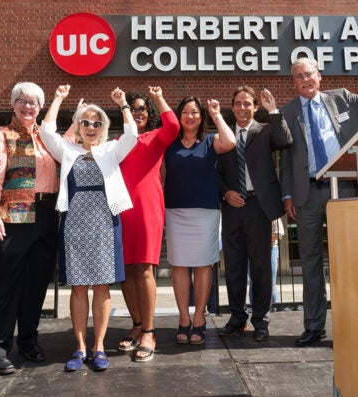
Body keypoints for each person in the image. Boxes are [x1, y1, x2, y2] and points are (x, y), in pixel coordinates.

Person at [279, 35, 358, 346]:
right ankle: (314, 327)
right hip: (307, 194)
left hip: (346, 188)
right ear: (294, 82)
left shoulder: (342, 98)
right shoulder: (287, 112)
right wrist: (287, 195)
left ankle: (357, 322)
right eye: (298, 76)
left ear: (320, 76)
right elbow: (286, 159)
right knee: (311, 262)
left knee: (352, 258)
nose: (305, 80)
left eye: (309, 74)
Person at [39, 84, 138, 372]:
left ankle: (99, 347)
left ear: (104, 127)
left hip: (105, 222)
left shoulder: (110, 150)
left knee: (102, 286)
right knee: (79, 287)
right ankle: (80, 347)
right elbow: (47, 132)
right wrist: (58, 98)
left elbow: (131, 135)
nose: (91, 127)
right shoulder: (67, 150)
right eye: (86, 122)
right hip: (74, 223)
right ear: (78, 126)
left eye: (97, 123)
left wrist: (122, 104)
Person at [0, 82, 60, 375]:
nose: (27, 106)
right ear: (13, 104)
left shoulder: (47, 137)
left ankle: (29, 341)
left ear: (40, 107)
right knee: (7, 284)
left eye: (33, 102)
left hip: (47, 214)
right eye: (22, 101)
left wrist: (65, 101)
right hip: (15, 214)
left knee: (35, 284)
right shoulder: (1, 136)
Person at [217, 86, 292, 342]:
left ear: (255, 107)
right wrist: (225, 192)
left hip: (259, 206)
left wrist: (274, 111)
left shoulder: (266, 130)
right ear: (232, 106)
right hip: (232, 207)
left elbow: (285, 141)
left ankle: (261, 320)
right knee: (235, 266)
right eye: (238, 103)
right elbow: (214, 172)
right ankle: (237, 317)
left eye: (248, 103)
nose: (242, 108)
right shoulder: (224, 136)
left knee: (260, 267)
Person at [164, 97, 235, 345]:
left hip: (205, 212)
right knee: (180, 265)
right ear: (179, 115)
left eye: (195, 112)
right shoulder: (169, 143)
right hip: (175, 212)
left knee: (204, 265)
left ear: (201, 117)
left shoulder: (209, 141)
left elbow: (230, 141)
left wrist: (216, 114)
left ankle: (199, 319)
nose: (190, 116)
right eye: (185, 112)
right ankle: (183, 319)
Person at [118, 87, 179, 363]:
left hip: (147, 210)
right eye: (132, 108)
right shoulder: (119, 140)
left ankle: (149, 332)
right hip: (121, 212)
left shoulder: (157, 137)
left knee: (143, 269)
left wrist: (158, 97)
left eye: (142, 108)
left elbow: (174, 125)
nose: (137, 112)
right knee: (126, 271)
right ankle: (137, 324)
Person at [248, 217, 285, 305]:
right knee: (253, 282)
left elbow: (278, 234)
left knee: (271, 283)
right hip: (252, 250)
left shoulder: (272, 213)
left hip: (270, 249)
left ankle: (274, 307)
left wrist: (258, 238)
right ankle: (254, 308)